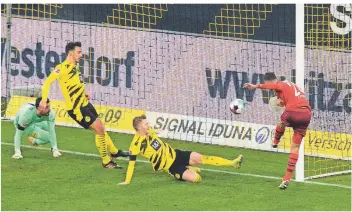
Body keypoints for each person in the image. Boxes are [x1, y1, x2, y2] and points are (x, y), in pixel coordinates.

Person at [39, 41, 128, 168]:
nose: (81, 55)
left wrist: (84, 94)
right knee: (99, 130)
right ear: (71, 53)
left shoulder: (76, 66)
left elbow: (76, 85)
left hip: (85, 104)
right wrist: (43, 100)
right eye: (79, 52)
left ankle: (114, 152)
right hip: (77, 109)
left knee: (100, 128)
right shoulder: (62, 68)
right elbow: (47, 82)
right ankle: (106, 161)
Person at [119, 115, 243, 185]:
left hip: (176, 154)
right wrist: (127, 181)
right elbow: (131, 165)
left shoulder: (150, 131)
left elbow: (157, 138)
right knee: (197, 179)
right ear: (138, 128)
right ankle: (186, 170)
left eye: (147, 123)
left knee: (202, 158)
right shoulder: (135, 145)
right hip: (172, 167)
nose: (149, 125)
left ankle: (232, 162)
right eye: (146, 124)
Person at [244, 72, 311, 189]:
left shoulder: (280, 84)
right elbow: (293, 98)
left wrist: (256, 86)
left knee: (281, 123)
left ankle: (275, 141)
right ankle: (286, 178)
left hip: (293, 111)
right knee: (295, 148)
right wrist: (283, 101)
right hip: (306, 114)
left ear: (270, 81)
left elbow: (274, 86)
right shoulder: (294, 86)